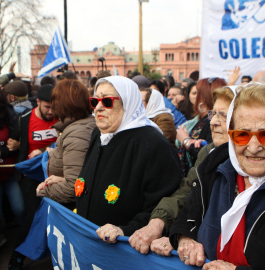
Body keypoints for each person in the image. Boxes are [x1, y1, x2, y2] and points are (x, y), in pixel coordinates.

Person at [170, 82, 265, 269]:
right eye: (242, 135)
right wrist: (185, 238)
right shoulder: (214, 168)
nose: (253, 148)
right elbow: (189, 216)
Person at [129, 86, 234, 255]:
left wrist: (187, 236)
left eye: (223, 115)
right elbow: (188, 191)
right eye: (213, 114)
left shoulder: (252, 163)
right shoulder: (208, 152)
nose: (213, 122)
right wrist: (159, 222)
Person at [76, 76, 182, 242]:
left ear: (127, 102)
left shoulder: (153, 143)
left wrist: (125, 230)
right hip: (90, 243)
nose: (98, 107)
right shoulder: (99, 134)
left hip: (126, 251)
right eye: (95, 101)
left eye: (107, 101)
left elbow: (162, 205)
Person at [8, 84, 58, 270]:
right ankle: (17, 256)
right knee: (32, 217)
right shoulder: (24, 119)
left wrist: (45, 150)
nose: (51, 111)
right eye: (47, 107)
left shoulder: (62, 116)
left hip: (55, 174)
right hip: (31, 175)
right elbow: (11, 143)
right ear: (37, 102)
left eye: (54, 106)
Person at [36, 79, 96, 205]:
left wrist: (43, 190)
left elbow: (74, 188)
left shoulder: (76, 134)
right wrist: (55, 154)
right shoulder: (80, 127)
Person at [0, 87, 26, 270]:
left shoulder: (9, 114)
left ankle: (26, 245)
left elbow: (16, 143)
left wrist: (0, 152)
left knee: (20, 208)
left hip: (10, 171)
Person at [176, 77, 226, 176]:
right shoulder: (202, 119)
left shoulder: (212, 122)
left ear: (205, 96)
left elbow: (210, 154)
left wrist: (186, 140)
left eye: (197, 93)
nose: (195, 97)